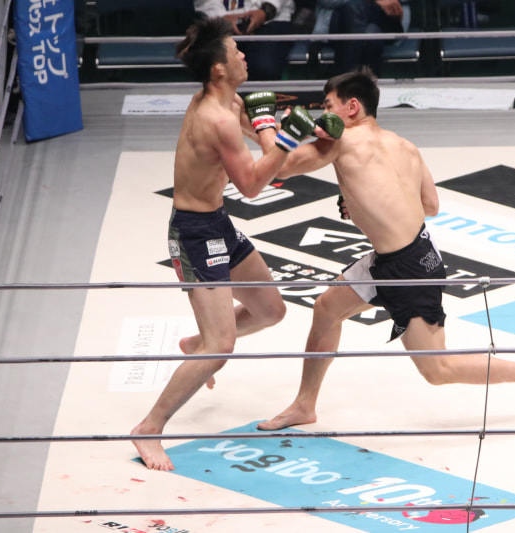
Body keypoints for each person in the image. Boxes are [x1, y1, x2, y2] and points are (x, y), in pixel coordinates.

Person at [257, 68, 515, 431]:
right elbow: (430, 205)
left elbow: (280, 167)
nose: (323, 114)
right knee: (326, 309)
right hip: (404, 254)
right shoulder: (404, 145)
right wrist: (365, 197)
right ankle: (305, 404)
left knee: (438, 369)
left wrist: (263, 123)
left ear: (351, 107)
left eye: (328, 105)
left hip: (408, 269)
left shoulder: (341, 141)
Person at [130, 17, 323, 471]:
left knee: (270, 310)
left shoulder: (226, 100)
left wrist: (280, 131)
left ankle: (196, 342)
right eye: (236, 51)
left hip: (217, 221)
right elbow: (253, 185)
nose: (243, 55)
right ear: (219, 68)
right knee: (221, 347)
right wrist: (288, 136)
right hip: (194, 234)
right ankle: (149, 428)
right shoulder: (216, 118)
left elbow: (266, 147)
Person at [194, 0, 296, 80]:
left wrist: (265, 12)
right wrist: (220, 17)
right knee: (215, 68)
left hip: (271, 19)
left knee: (264, 67)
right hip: (219, 20)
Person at [314, 0, 407, 75]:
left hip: (387, 17)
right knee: (371, 33)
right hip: (338, 21)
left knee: (355, 8)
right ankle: (367, 90)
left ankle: (345, 84)